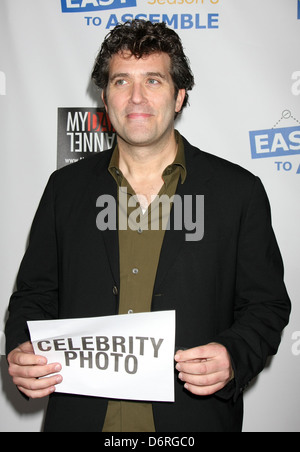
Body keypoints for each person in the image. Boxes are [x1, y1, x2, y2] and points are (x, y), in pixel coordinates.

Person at [5, 20, 291, 432]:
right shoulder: (64, 190)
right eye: (121, 81)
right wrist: (22, 348)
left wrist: (234, 354)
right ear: (104, 97)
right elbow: (34, 294)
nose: (136, 97)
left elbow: (266, 306)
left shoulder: (238, 192)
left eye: (153, 80)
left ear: (179, 96)